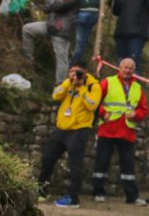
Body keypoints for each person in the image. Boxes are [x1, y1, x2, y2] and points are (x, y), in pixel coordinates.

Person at [37, 65, 101, 208]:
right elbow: (55, 95)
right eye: (72, 72)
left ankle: (73, 198)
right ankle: (41, 190)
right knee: (47, 158)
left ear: (85, 73)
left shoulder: (93, 86)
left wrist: (81, 87)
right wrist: (68, 82)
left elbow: (92, 105)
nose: (75, 75)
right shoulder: (68, 84)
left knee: (75, 164)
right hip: (61, 129)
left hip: (79, 130)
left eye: (78, 73)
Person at [92, 57, 148, 206]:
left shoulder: (137, 87)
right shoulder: (108, 81)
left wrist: (136, 114)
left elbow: (143, 109)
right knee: (101, 162)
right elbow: (94, 99)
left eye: (130, 68)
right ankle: (98, 192)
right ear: (119, 68)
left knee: (128, 165)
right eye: (125, 67)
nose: (128, 70)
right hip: (108, 128)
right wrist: (103, 112)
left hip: (127, 131)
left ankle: (132, 196)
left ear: (134, 70)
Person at [21, 0, 82, 83]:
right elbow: (46, 6)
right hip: (50, 25)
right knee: (27, 29)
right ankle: (27, 66)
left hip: (63, 30)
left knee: (62, 60)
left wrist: (54, 1)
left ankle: (59, 89)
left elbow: (58, 4)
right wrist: (54, 1)